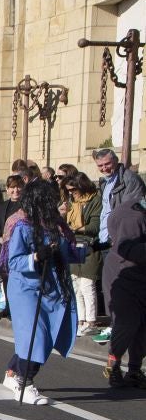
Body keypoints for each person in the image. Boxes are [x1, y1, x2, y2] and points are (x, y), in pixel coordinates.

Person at [2, 179, 82, 406]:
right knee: (35, 335)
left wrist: (90, 250)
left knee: (45, 336)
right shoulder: (21, 224)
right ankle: (24, 383)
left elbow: (65, 251)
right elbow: (13, 261)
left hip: (51, 287)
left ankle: (12, 372)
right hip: (26, 288)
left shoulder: (55, 224)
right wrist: (36, 256)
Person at [90, 148, 146, 346]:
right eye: (100, 165)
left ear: (115, 161)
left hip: (121, 241)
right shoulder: (105, 181)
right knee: (111, 287)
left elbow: (134, 210)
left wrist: (120, 236)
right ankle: (117, 324)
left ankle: (123, 328)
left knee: (122, 287)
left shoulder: (130, 180)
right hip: (107, 239)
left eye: (107, 164)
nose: (104, 168)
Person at [102, 190, 146, 388]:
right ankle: (113, 365)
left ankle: (134, 370)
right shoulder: (133, 216)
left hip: (141, 276)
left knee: (143, 326)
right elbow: (126, 248)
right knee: (127, 322)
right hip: (122, 276)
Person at [64, 172, 103, 335]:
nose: (71, 193)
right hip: (74, 246)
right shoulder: (71, 202)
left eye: (73, 190)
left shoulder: (95, 200)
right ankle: (80, 320)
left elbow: (95, 226)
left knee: (87, 285)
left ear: (82, 186)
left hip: (90, 247)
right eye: (69, 190)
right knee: (76, 286)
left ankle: (91, 321)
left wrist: (75, 229)